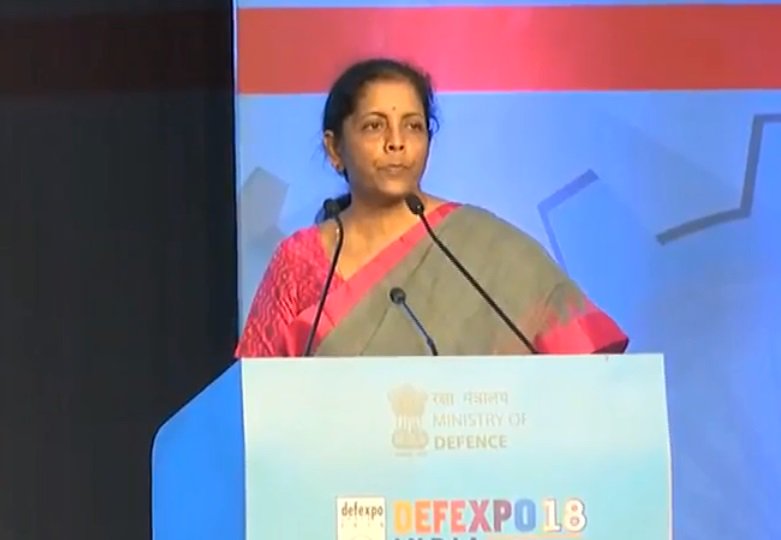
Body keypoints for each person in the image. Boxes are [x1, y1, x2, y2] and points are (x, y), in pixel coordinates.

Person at [235, 58, 628, 358]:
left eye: (413, 126)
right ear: (334, 147)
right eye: (374, 126)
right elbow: (250, 395)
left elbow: (587, 367)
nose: (397, 142)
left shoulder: (480, 244)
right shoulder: (299, 261)